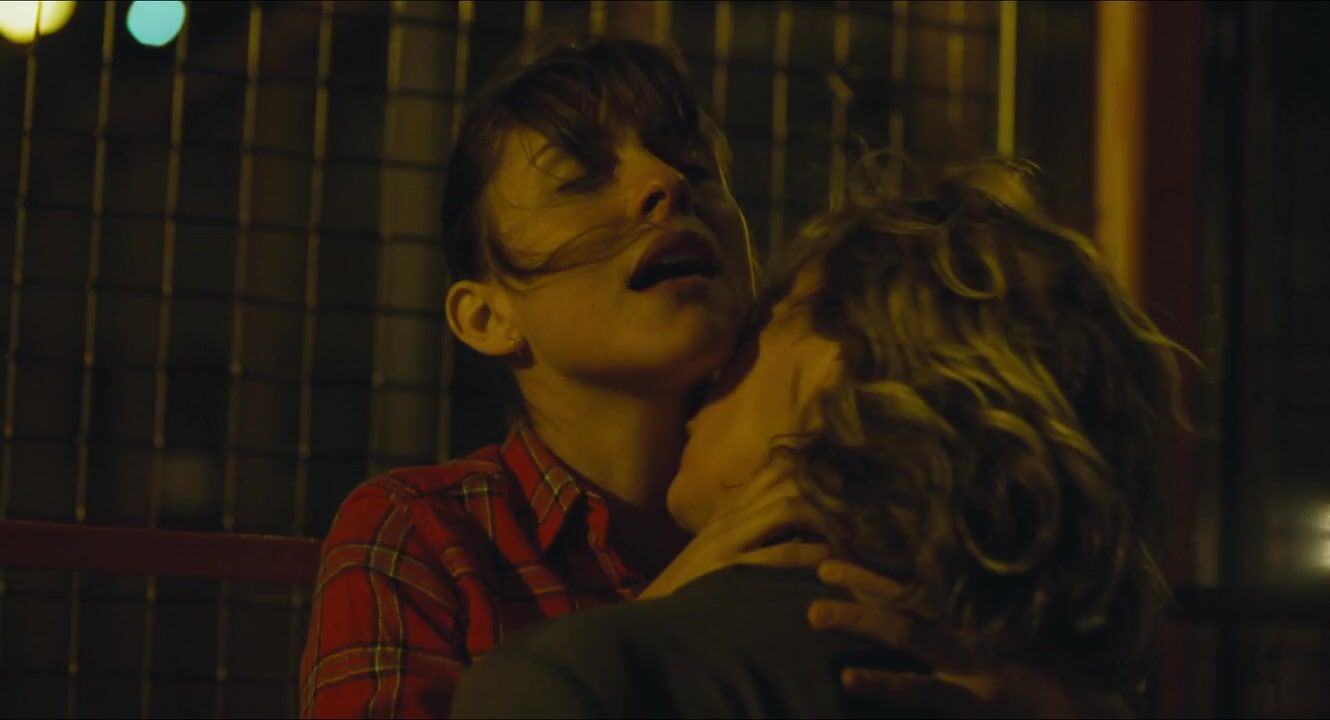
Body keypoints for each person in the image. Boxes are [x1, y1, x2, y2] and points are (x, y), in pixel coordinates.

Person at [299, 35, 1114, 718]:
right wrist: (654, 633)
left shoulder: (850, 509)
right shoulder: (426, 536)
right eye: (581, 177)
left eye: (692, 162)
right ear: (486, 317)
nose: (665, 183)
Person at [450, 157, 1188, 719]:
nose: (708, 390)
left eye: (756, 331)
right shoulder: (1041, 686)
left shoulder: (577, 684)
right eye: (580, 176)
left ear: (841, 367)